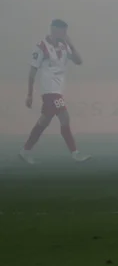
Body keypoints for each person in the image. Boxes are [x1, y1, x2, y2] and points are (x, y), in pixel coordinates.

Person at [18, 19, 90, 164]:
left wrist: (70, 43)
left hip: (58, 90)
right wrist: (30, 94)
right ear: (54, 30)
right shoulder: (41, 46)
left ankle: (25, 150)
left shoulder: (64, 46)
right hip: (50, 91)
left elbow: (79, 61)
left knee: (45, 121)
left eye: (66, 31)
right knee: (64, 118)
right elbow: (32, 71)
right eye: (62, 31)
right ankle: (75, 153)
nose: (65, 34)